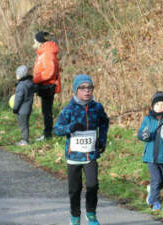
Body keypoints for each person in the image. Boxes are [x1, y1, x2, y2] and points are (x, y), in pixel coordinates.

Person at [54, 74, 109, 225]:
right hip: (74, 156)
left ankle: (91, 214)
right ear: (76, 90)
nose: (87, 91)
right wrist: (70, 128)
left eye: (89, 87)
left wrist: (102, 140)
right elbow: (56, 129)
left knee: (92, 185)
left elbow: (104, 122)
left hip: (90, 154)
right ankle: (75, 216)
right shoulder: (69, 109)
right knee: (75, 189)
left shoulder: (97, 108)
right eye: (83, 88)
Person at [138, 91, 163, 211]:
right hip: (150, 156)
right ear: (153, 106)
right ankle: (155, 202)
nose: (160, 107)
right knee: (156, 179)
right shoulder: (147, 119)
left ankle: (152, 190)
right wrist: (145, 135)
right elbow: (141, 134)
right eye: (158, 104)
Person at [33, 31, 61, 141]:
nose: (33, 43)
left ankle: (47, 135)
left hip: (48, 86)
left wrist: (35, 79)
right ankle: (47, 133)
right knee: (46, 111)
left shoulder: (47, 53)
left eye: (35, 41)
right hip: (46, 86)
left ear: (39, 42)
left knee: (47, 112)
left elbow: (49, 72)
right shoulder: (44, 52)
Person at [12, 65, 34, 146]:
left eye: (17, 74)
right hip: (28, 108)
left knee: (23, 126)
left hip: (21, 110)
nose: (16, 75)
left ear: (21, 75)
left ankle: (24, 140)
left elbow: (18, 99)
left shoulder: (21, 86)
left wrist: (15, 108)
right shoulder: (30, 83)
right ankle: (25, 139)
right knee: (26, 124)